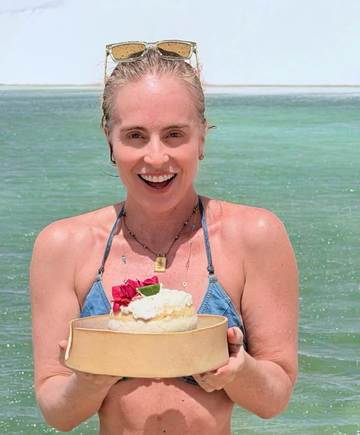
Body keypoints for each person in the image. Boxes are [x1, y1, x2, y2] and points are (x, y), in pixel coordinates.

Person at [30, 41, 299, 434]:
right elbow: (58, 412)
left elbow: (275, 398)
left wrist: (237, 371)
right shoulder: (63, 246)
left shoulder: (255, 236)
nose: (156, 158)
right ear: (109, 138)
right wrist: (89, 380)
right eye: (135, 135)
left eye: (174, 134)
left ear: (202, 137)